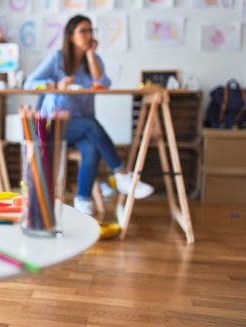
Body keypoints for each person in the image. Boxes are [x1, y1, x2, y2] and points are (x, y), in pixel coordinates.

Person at [23, 14, 153, 216]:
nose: (88, 35)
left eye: (91, 30)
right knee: (91, 125)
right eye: (83, 31)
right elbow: (29, 83)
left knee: (91, 149)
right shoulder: (57, 60)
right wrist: (56, 85)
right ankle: (121, 173)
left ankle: (83, 200)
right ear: (71, 35)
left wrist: (91, 54)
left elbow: (104, 83)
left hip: (81, 129)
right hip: (55, 126)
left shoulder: (93, 60)